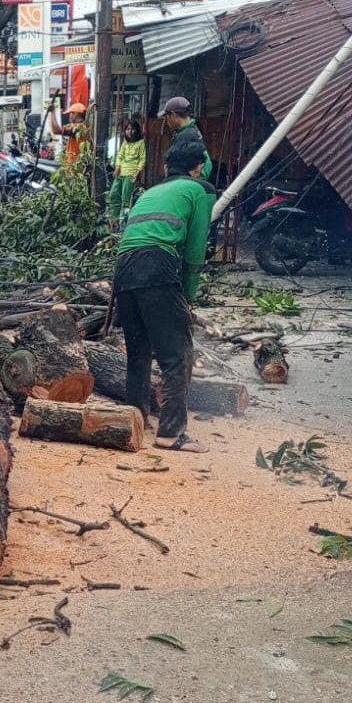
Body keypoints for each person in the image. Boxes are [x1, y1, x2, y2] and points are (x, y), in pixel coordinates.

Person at [114, 140, 216, 455]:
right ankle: (171, 433)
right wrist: (188, 295)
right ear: (198, 168)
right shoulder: (200, 191)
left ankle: (133, 421)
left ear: (165, 167)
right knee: (177, 354)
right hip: (157, 266)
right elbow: (196, 249)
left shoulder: (149, 192)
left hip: (123, 268)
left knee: (139, 351)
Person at [160, 96, 212, 180]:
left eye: (167, 117)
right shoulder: (193, 129)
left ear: (173, 115)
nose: (166, 121)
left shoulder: (186, 136)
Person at [108, 117, 146, 226]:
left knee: (126, 199)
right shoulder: (125, 143)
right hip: (121, 172)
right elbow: (120, 155)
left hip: (131, 173)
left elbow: (142, 159)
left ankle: (124, 224)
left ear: (137, 131)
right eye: (128, 129)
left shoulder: (140, 143)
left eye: (132, 129)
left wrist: (138, 172)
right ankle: (114, 221)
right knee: (114, 194)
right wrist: (117, 167)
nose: (130, 131)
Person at [48, 100, 91, 166]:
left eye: (71, 113)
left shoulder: (77, 127)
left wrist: (52, 112)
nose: (69, 116)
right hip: (78, 165)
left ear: (76, 114)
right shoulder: (85, 127)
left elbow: (56, 130)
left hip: (75, 166)